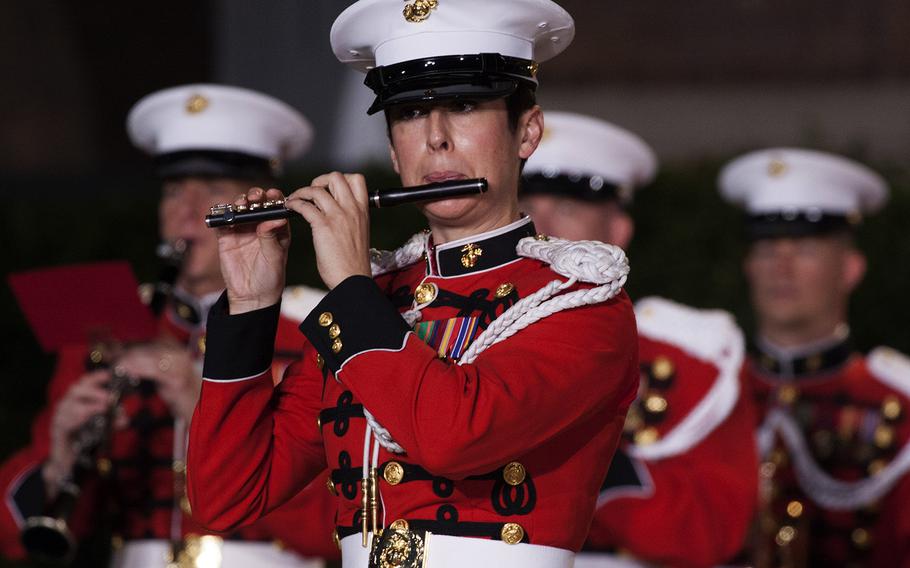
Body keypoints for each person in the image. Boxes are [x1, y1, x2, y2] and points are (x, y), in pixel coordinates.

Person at [186, 1, 640, 567]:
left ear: (527, 132)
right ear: (393, 150)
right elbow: (227, 497)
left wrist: (353, 287)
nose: (436, 139)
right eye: (409, 114)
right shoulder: (373, 300)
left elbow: (453, 436)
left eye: (465, 105)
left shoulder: (581, 302)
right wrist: (251, 305)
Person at [0, 84, 338, 567]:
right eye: (175, 190)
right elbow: (19, 537)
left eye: (215, 191)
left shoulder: (315, 330)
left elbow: (343, 521)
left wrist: (204, 405)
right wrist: (59, 464)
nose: (187, 210)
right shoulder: (108, 333)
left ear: (264, 207)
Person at [519, 112, 758, 567]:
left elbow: (712, 531)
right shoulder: (454, 337)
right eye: (526, 210)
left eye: (566, 210)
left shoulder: (692, 356)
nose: (541, 230)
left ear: (618, 234)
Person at [719, 147, 910, 567]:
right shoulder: (709, 395)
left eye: (804, 250)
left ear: (850, 269)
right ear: (749, 266)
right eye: (768, 250)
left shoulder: (898, 403)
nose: (780, 269)